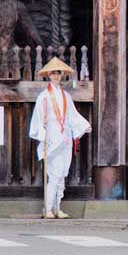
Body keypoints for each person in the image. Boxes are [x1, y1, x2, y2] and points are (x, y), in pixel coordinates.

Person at [29, 56, 91, 219]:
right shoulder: (44, 97)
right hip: (51, 135)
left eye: (58, 73)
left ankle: (58, 207)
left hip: (64, 135)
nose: (56, 76)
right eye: (53, 73)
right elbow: (38, 119)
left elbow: (72, 115)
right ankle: (48, 208)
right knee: (54, 174)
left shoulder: (65, 96)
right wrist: (42, 135)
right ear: (49, 75)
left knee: (62, 173)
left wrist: (83, 125)